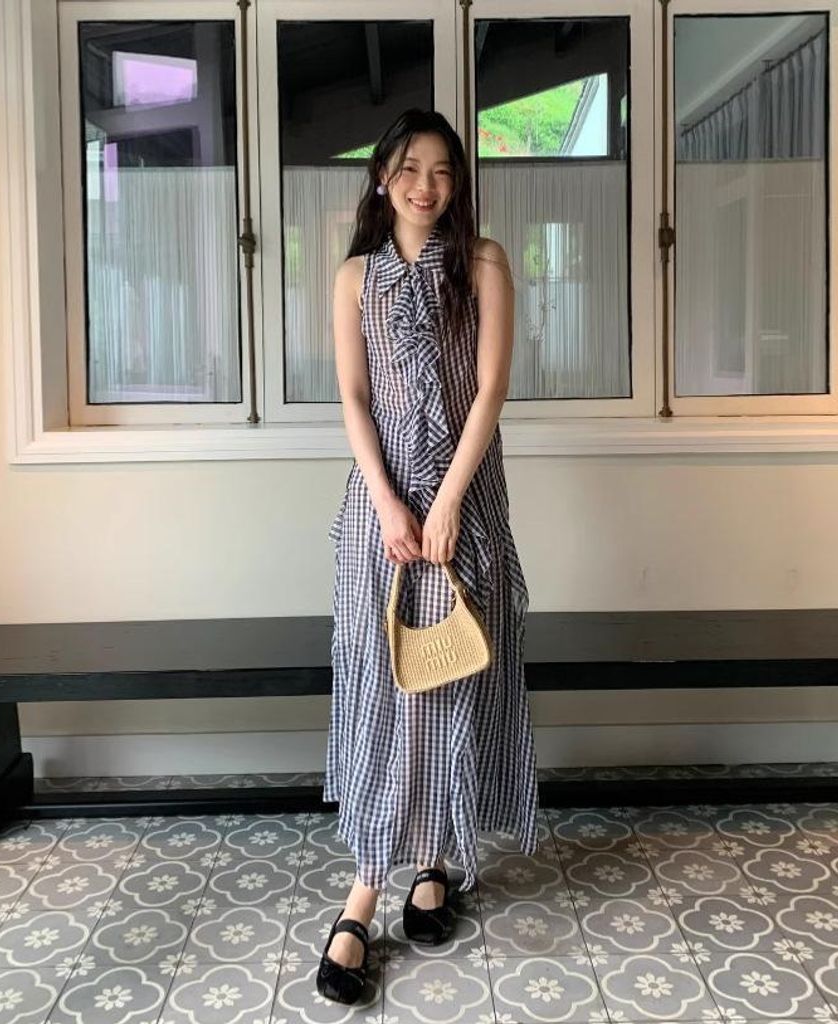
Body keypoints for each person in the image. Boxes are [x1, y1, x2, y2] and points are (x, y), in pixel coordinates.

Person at [318, 108, 539, 1004]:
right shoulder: (354, 277)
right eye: (410, 168)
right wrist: (388, 501)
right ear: (382, 177)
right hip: (380, 518)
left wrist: (445, 502)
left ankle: (437, 862)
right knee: (385, 692)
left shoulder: (483, 263)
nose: (426, 185)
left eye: (443, 170)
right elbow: (353, 399)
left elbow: (491, 391)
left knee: (452, 683)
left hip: (464, 507)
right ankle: (366, 889)